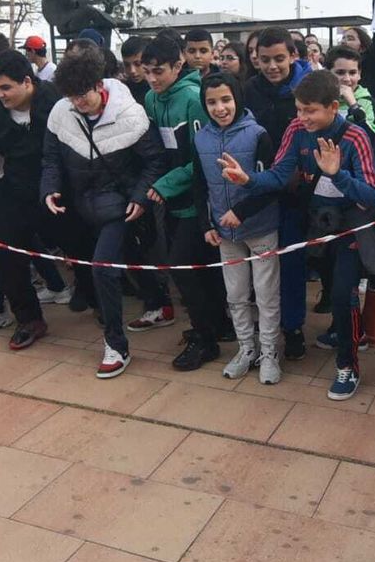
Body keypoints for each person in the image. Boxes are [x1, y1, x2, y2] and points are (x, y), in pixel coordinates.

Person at [222, 69, 375, 400]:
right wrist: (248, 180)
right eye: (299, 109)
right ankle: (347, 331)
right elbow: (280, 175)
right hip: (314, 224)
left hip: (351, 224)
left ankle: (347, 365)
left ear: (333, 107)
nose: (302, 117)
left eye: (310, 110)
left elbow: (371, 197)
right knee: (325, 286)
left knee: (342, 294)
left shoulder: (355, 137)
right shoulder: (296, 129)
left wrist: (337, 176)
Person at [42, 48, 168, 378]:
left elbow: (155, 160)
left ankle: (116, 345)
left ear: (98, 85)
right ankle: (158, 303)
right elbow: (51, 158)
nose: (77, 103)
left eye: (82, 95)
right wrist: (49, 188)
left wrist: (141, 197)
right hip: (80, 203)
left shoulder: (130, 114)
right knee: (130, 254)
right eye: (70, 97)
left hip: (120, 204)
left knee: (103, 268)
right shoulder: (61, 112)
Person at [0, 51, 82, 349]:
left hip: (60, 184)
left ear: (27, 82)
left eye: (6, 87)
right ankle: (29, 318)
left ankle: (90, 292)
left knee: (81, 241)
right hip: (16, 184)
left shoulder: (57, 101)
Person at [140, 33, 224, 370]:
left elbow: (204, 156)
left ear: (178, 65)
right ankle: (216, 325)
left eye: (158, 70)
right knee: (199, 270)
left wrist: (167, 184)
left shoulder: (193, 98)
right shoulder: (149, 98)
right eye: (147, 71)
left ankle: (207, 340)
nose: (152, 78)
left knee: (183, 268)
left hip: (195, 200)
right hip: (168, 200)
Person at [193, 72, 282, 384]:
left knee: (267, 296)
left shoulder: (258, 134)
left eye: (226, 99)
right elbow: (199, 184)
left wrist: (241, 212)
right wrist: (206, 223)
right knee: (236, 295)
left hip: (260, 229)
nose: (220, 108)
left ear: (238, 98)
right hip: (225, 233)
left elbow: (272, 185)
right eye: (212, 102)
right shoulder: (200, 137)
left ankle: (269, 352)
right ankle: (247, 348)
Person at [244, 27, 313, 356]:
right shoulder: (248, 91)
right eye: (265, 59)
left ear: (293, 56)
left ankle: (293, 326)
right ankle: (265, 324)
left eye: (279, 59)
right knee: (260, 264)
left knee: (291, 261)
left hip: (296, 192)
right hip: (257, 188)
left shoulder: (308, 89)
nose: (272, 66)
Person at [326, 45, 375, 131]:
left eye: (352, 73)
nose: (347, 79)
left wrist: (354, 107)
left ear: (359, 74)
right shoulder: (319, 99)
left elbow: (371, 138)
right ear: (327, 73)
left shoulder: (367, 102)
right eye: (340, 73)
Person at [118, 36, 151, 104]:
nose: (132, 70)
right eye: (127, 65)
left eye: (138, 64)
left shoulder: (158, 88)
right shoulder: (123, 90)